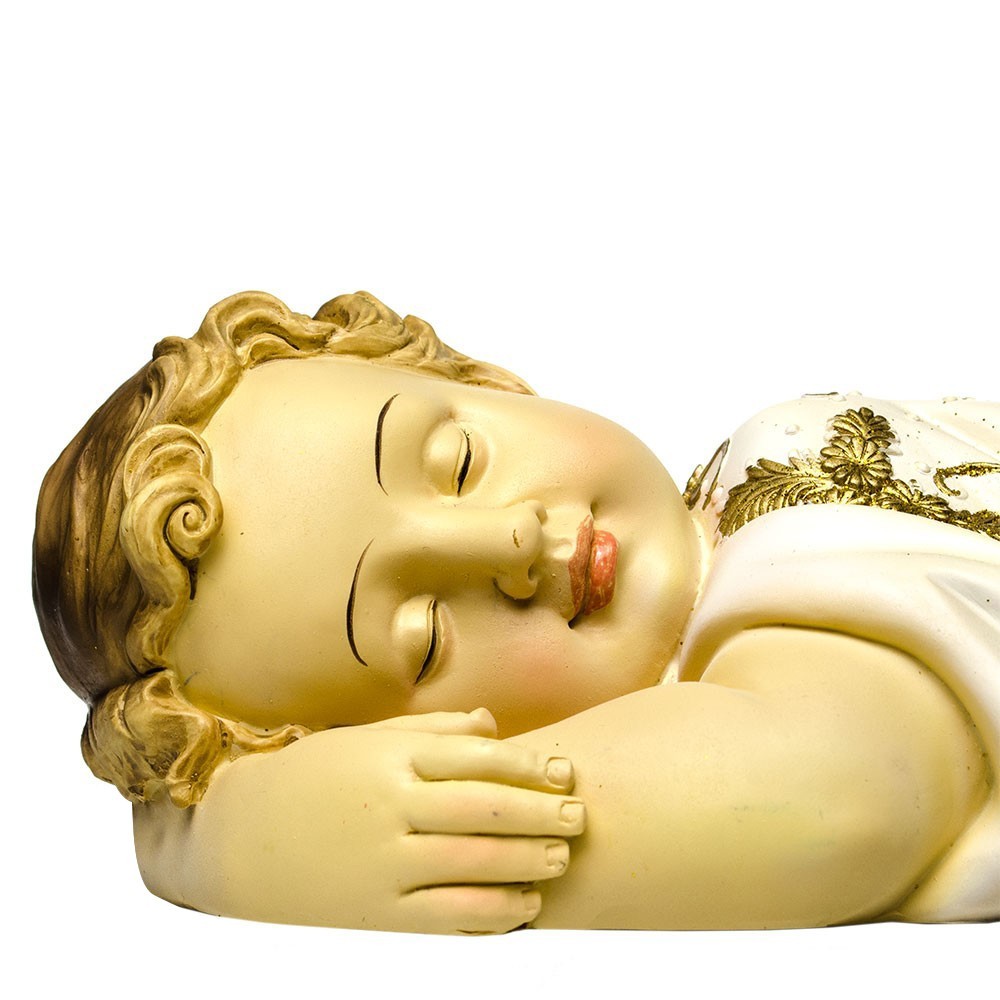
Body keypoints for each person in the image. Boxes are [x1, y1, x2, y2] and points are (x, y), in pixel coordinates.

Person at [33, 291, 999, 933]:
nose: (510, 543)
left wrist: (219, 849)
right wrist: (236, 828)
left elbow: (851, 801)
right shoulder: (765, 650)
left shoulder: (763, 478)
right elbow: (844, 794)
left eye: (458, 461)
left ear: (475, 380)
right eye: (425, 639)